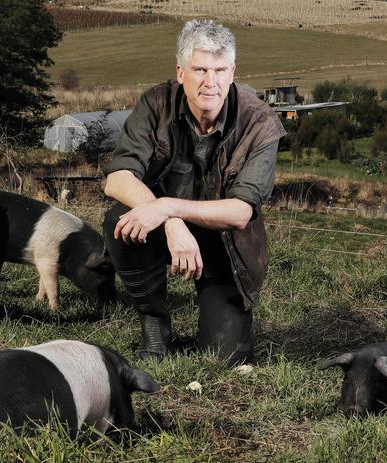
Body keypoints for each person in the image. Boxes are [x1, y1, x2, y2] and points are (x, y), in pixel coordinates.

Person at [102, 19, 286, 365]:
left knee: (225, 359)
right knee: (122, 219)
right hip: (162, 231)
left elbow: (241, 211)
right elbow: (117, 179)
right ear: (180, 71)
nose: (209, 81)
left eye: (219, 69)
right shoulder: (156, 103)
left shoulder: (260, 123)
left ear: (232, 72)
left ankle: (219, 315)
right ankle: (153, 317)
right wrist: (169, 222)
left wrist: (167, 208)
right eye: (199, 69)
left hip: (226, 245)